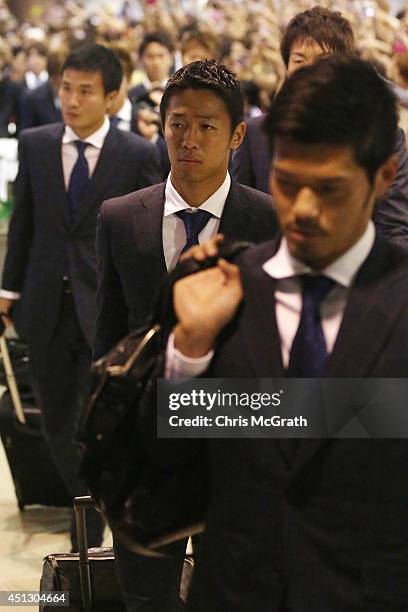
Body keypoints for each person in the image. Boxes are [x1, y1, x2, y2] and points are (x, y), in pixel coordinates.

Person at [168, 54, 408, 611]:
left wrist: (241, 408)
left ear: (383, 178)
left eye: (328, 189)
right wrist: (188, 355)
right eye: (288, 181)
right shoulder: (217, 288)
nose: (301, 209)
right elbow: (167, 475)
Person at [94, 59, 278, 610]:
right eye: (177, 124)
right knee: (147, 596)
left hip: (239, 448)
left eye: (206, 125)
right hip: (148, 453)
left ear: (237, 135)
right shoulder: (122, 218)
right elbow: (107, 337)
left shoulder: (268, 222)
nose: (188, 140)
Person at [0, 43, 163, 551]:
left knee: (101, 422)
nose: (71, 100)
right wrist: (7, 293)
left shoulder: (135, 154)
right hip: (45, 304)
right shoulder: (36, 143)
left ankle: (95, 527)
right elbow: (23, 223)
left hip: (105, 307)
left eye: (85, 91)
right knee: (54, 425)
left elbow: (146, 235)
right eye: (66, 88)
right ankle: (92, 508)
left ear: (112, 97)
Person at [231, 5, 408, 248]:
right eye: (299, 60)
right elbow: (243, 221)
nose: (311, 71)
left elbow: (394, 229)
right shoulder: (256, 135)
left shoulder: (381, 135)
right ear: (286, 67)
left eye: (324, 61)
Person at [128, 31, 174, 105]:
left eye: (160, 56)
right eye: (150, 56)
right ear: (141, 59)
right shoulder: (132, 95)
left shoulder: (178, 91)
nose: (156, 62)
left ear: (171, 58)